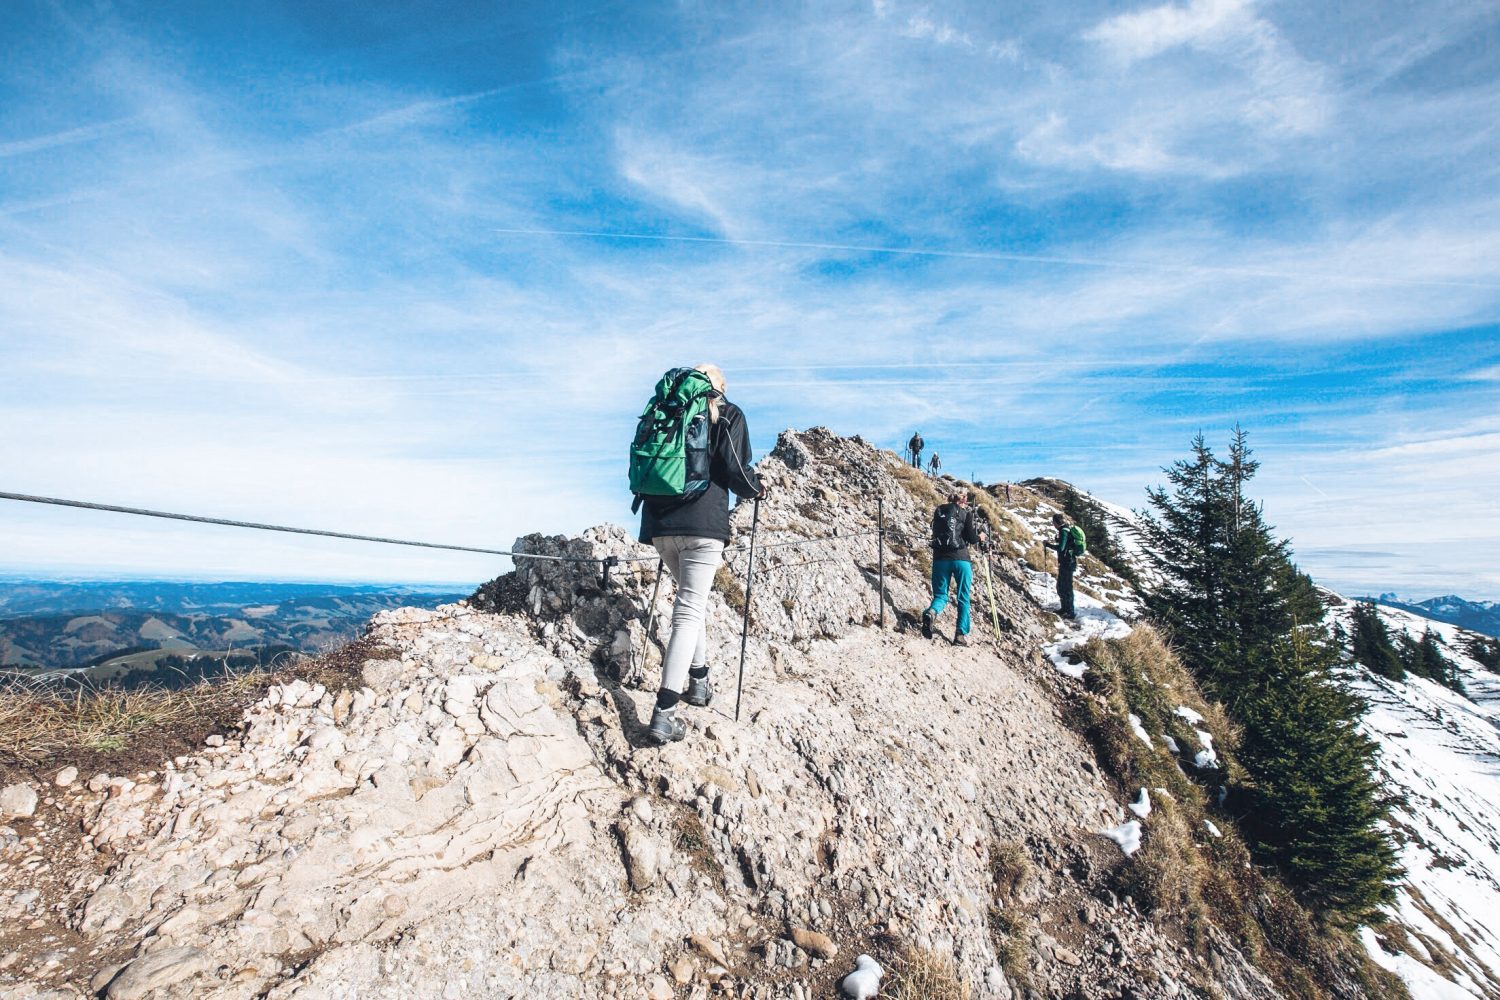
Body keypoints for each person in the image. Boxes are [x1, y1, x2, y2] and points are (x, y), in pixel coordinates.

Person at [638, 364, 764, 744]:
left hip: (660, 526)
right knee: (689, 610)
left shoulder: (667, 410)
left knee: (693, 603)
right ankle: (664, 712)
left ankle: (699, 680)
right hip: (702, 525)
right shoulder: (727, 412)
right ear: (719, 386)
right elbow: (735, 469)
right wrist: (756, 489)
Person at [921, 490, 987, 646]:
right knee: (963, 598)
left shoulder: (939, 511)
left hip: (940, 559)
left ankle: (932, 612)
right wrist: (980, 537)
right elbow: (971, 538)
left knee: (941, 595)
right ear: (963, 500)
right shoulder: (965, 513)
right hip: (961, 560)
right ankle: (959, 635)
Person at [1052, 512, 1079, 620]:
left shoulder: (1063, 531)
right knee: (1063, 587)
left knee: (1065, 587)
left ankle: (1070, 611)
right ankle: (1065, 609)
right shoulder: (1065, 530)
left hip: (1067, 563)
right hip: (1068, 562)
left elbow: (1061, 548)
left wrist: (1049, 545)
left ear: (1056, 522)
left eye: (1053, 522)